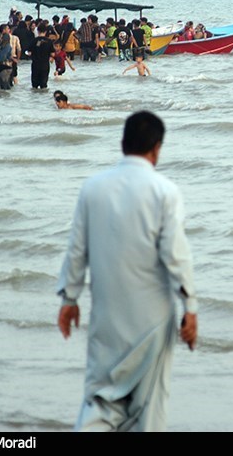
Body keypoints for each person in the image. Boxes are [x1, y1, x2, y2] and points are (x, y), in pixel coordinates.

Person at [57, 111, 198, 432]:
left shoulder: (93, 188)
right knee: (148, 411)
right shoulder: (165, 191)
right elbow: (176, 255)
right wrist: (190, 307)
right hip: (153, 320)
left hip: (107, 317)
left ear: (122, 144)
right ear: (157, 148)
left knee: (99, 400)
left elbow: (77, 250)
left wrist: (69, 298)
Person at [26, 23, 55, 89]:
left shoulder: (34, 40)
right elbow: (53, 54)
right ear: (46, 31)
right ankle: (43, 99)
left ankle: (35, 98)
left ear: (38, 31)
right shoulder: (49, 41)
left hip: (35, 64)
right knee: (44, 85)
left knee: (34, 85)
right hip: (45, 65)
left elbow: (28, 52)